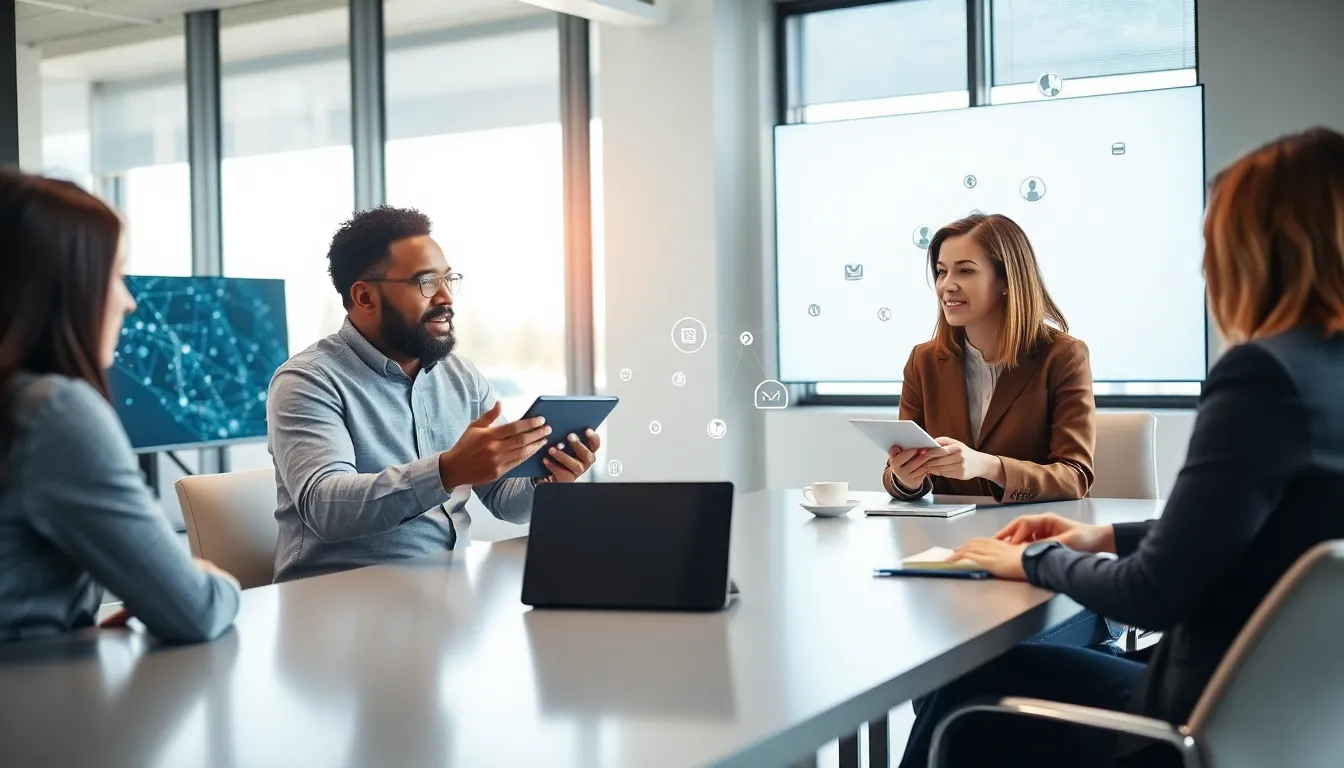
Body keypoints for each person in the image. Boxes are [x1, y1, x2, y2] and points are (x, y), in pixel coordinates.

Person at [899, 126, 1344, 767]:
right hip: (1284, 714)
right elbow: (1251, 526)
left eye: (1214, 239)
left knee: (958, 687)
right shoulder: (1324, 374)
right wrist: (1102, 537)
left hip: (1188, 718)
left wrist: (1034, 562)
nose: (1204, 265)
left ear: (1262, 249)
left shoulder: (1262, 377)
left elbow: (1153, 594)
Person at [268, 206, 601, 582]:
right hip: (339, 602)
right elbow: (325, 506)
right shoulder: (307, 380)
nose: (446, 296)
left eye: (449, 279)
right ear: (365, 297)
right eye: (426, 282)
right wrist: (446, 471)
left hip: (451, 594)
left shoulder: (460, 376)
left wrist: (545, 478)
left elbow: (504, 501)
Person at [0, 169, 241, 644]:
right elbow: (197, 609)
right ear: (62, 286)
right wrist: (220, 580)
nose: (129, 302)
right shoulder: (53, 413)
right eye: (114, 274)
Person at [883, 213, 1095, 507]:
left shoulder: (1063, 356)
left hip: (1033, 533)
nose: (947, 285)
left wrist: (989, 466)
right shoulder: (924, 361)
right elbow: (898, 474)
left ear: (1007, 280)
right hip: (949, 537)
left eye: (965, 271)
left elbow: (1075, 477)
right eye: (942, 272)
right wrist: (906, 479)